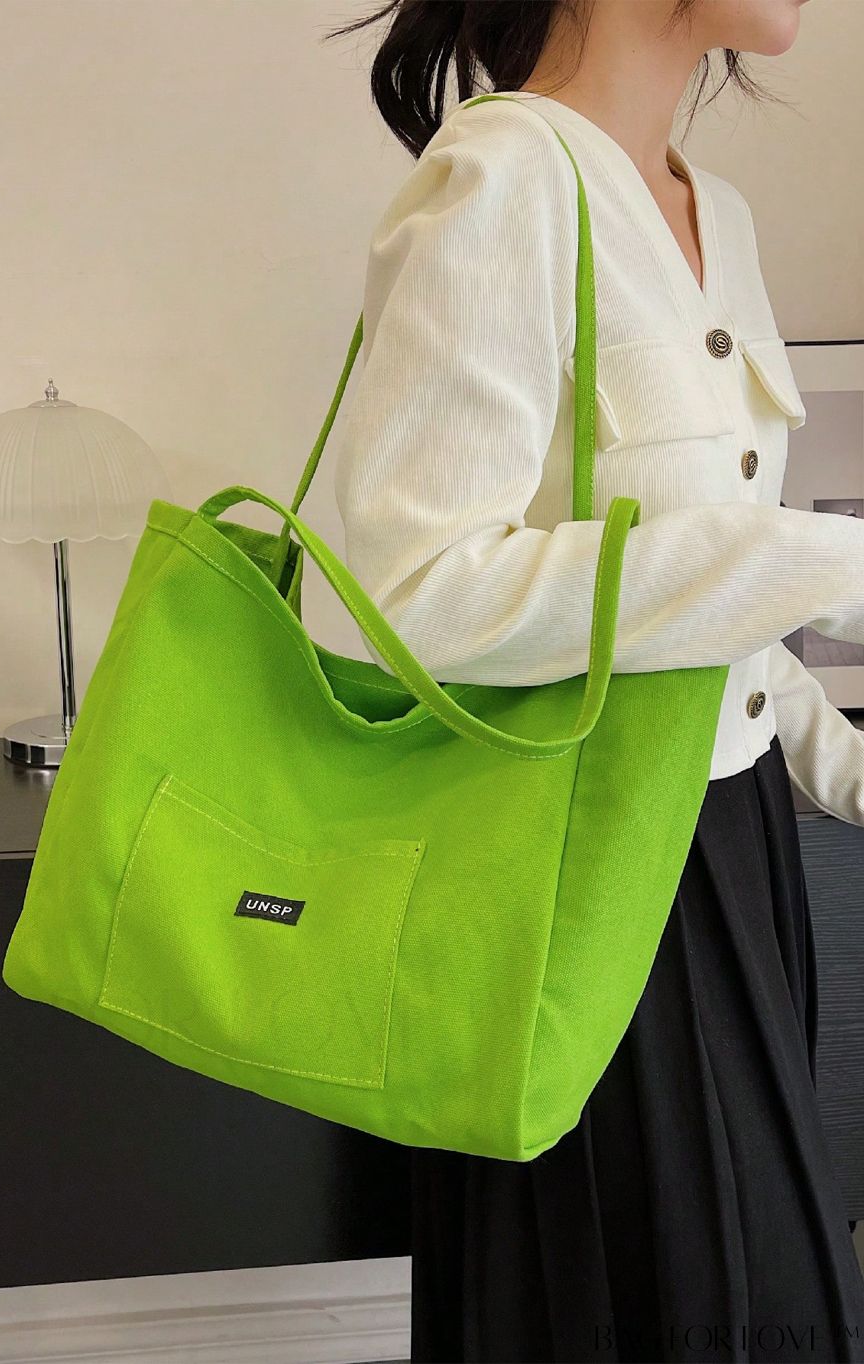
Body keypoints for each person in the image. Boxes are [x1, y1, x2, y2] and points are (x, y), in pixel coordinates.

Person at [324, 0, 864, 1359]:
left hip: (735, 854)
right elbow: (419, 597)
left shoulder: (713, 213)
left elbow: (708, 629)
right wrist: (819, 563)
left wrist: (844, 760)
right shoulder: (502, 181)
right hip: (587, 876)